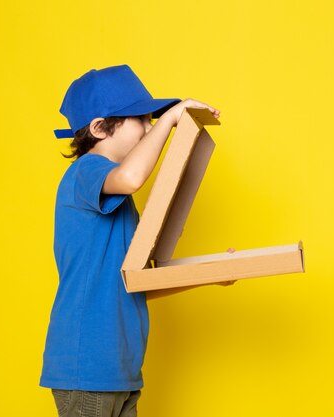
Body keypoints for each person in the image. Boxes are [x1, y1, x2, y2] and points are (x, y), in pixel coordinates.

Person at [40, 64, 219, 417]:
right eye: (142, 119)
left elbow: (134, 283)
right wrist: (170, 120)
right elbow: (133, 176)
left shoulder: (120, 200)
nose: (151, 127)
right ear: (99, 128)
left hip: (120, 371)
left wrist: (212, 274)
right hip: (87, 368)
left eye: (153, 119)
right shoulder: (86, 173)